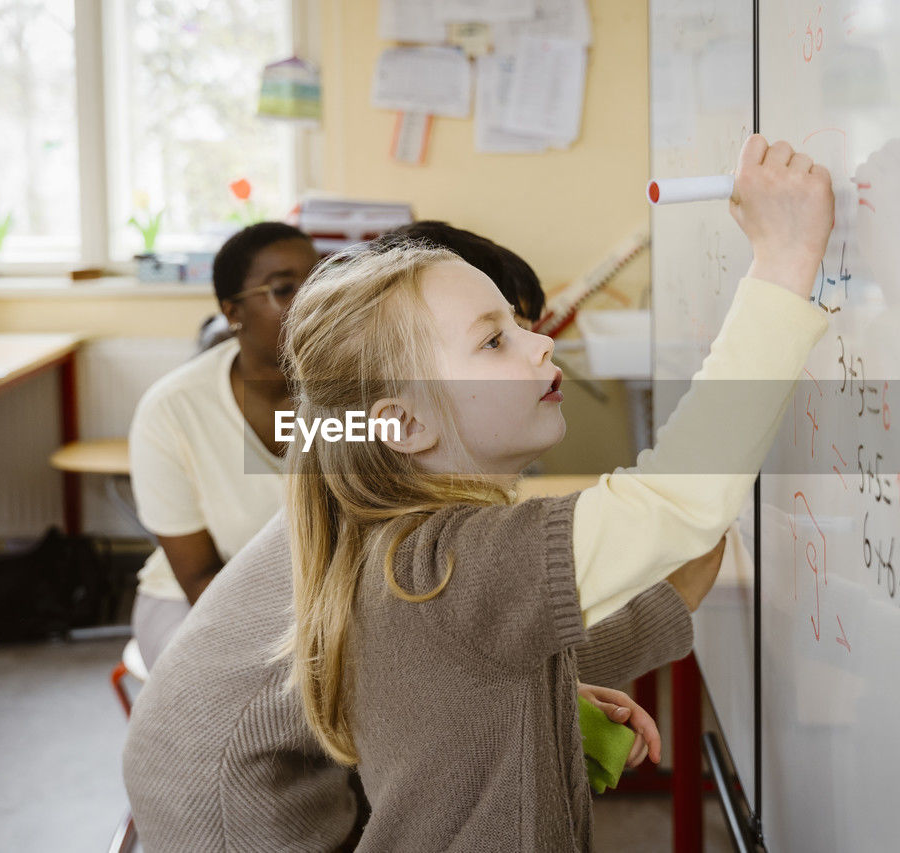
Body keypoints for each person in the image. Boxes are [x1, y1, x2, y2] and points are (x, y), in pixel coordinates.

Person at [281, 134, 834, 849]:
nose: (539, 345)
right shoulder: (454, 563)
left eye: (519, 327)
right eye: (493, 342)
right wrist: (784, 261)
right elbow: (678, 499)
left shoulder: (407, 547)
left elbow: (448, 694)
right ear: (406, 423)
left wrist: (544, 704)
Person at [122, 221, 724, 851]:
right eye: (493, 337)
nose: (537, 348)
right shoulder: (384, 496)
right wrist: (668, 593)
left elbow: (455, 654)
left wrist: (559, 694)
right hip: (227, 799)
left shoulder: (376, 459)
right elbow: (463, 638)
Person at [128, 222, 318, 669]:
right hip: (193, 599)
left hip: (325, 599)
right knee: (217, 682)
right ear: (233, 312)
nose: (312, 302)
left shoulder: (351, 396)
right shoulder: (173, 410)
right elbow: (197, 578)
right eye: (285, 289)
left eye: (320, 281)